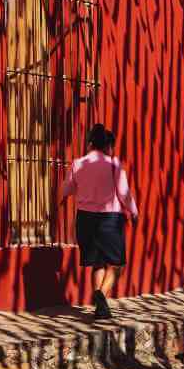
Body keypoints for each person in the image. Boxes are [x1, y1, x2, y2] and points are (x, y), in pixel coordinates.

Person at [59, 124, 138, 319]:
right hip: (109, 219)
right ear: (106, 145)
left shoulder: (78, 164)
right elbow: (124, 194)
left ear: (90, 143)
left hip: (85, 219)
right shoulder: (114, 165)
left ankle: (101, 308)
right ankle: (100, 294)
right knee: (117, 263)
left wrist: (63, 200)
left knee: (98, 262)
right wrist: (134, 212)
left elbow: (65, 190)